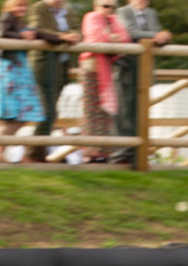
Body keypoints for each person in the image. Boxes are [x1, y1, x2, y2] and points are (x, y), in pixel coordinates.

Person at [0, 0, 46, 163]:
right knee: (16, 116)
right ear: (9, 6)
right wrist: (21, 36)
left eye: (24, 5)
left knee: (16, 117)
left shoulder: (19, 22)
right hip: (10, 69)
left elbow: (39, 34)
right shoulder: (6, 17)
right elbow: (0, 33)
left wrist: (61, 37)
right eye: (18, 5)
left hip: (17, 69)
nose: (22, 8)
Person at [114, 0, 172, 164]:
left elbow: (158, 35)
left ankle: (138, 153)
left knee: (141, 110)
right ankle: (123, 153)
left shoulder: (151, 13)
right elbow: (130, 32)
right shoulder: (122, 12)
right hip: (126, 68)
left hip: (144, 69)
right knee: (126, 111)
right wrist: (156, 36)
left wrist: (163, 38)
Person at [26, 0, 81, 163]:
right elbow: (38, 30)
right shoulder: (40, 8)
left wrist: (75, 35)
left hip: (61, 68)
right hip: (43, 66)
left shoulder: (68, 10)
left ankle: (38, 151)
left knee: (51, 112)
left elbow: (77, 30)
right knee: (48, 111)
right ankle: (34, 152)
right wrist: (63, 37)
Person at [80, 0, 130, 163]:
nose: (109, 10)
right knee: (91, 110)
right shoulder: (91, 17)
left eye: (112, 7)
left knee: (104, 112)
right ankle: (90, 152)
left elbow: (125, 38)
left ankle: (103, 151)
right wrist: (112, 38)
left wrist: (111, 38)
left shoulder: (113, 20)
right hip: (92, 68)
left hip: (106, 70)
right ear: (96, 7)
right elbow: (96, 37)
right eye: (105, 6)